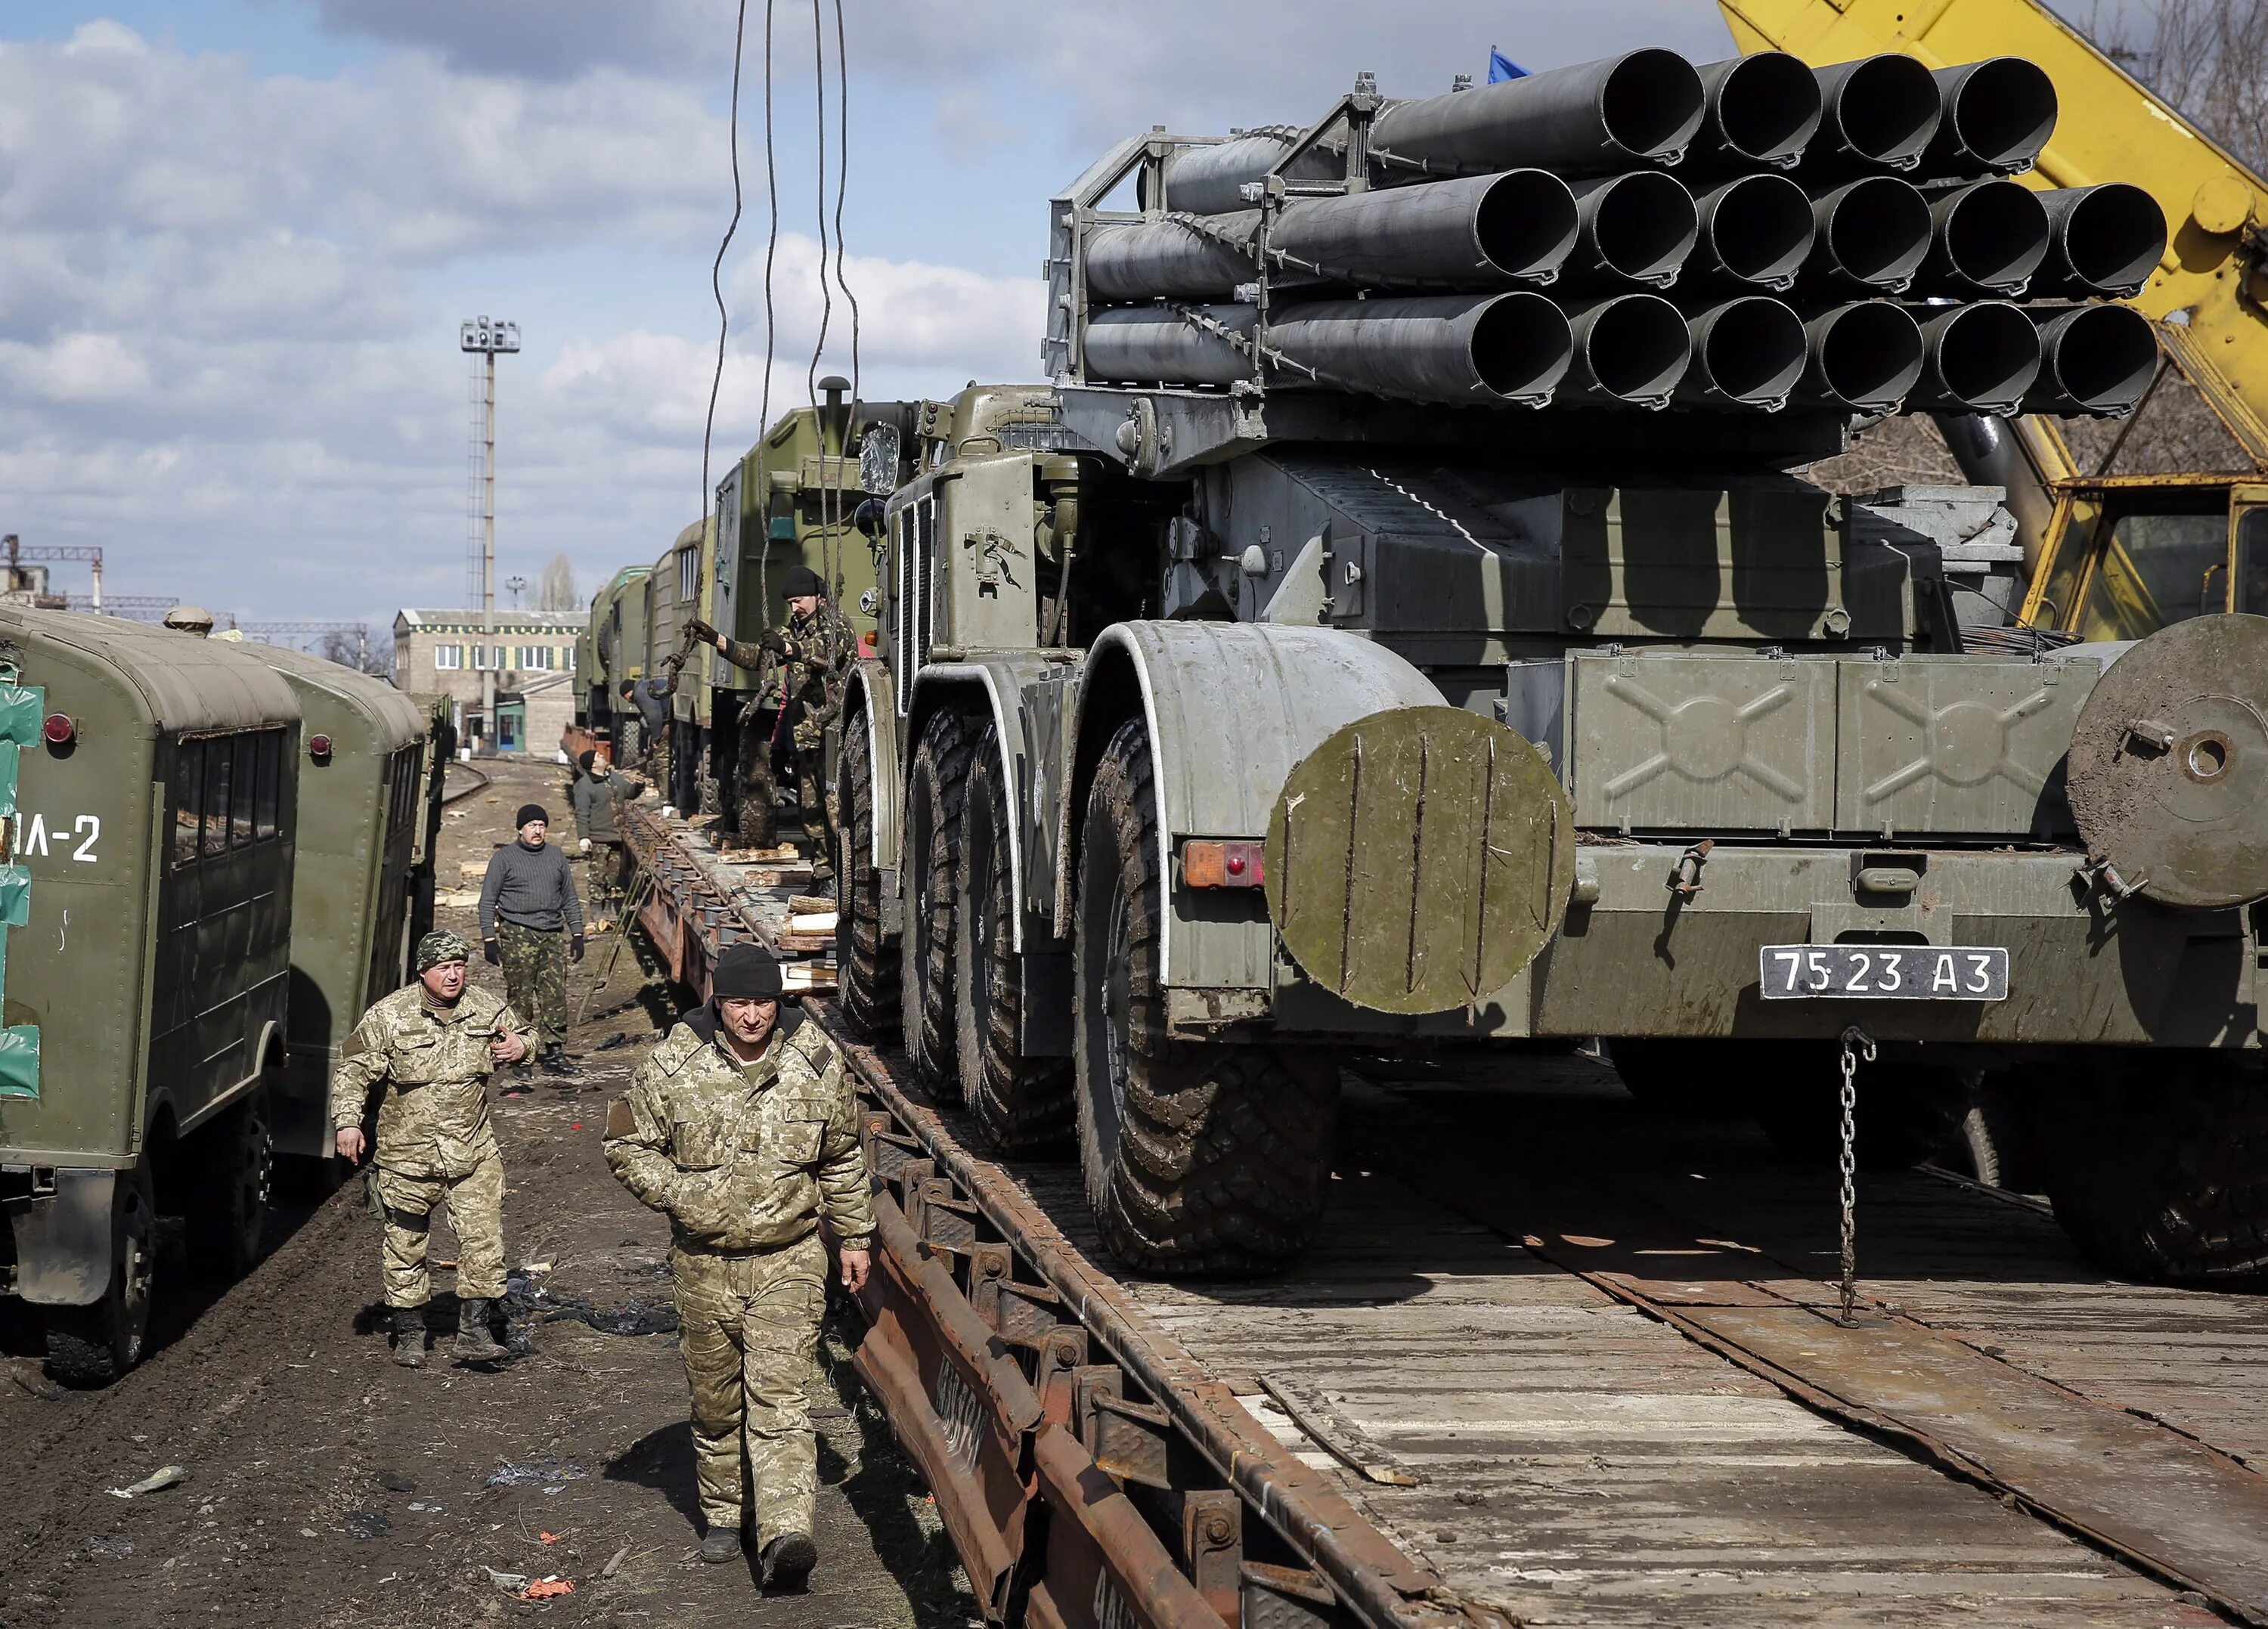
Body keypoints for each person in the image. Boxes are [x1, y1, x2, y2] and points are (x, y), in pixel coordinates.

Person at [602, 942, 874, 1584]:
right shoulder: (673, 1063)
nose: (751, 1016)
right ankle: (726, 1513)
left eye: (763, 1004)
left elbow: (841, 1155)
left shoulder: (816, 1063)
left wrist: (856, 1235)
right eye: (739, 1003)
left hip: (790, 1257)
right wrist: (679, 1193)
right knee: (717, 1401)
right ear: (717, 1002)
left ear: (778, 1003)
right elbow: (624, 1142)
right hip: (704, 1264)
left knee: (781, 1400)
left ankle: (785, 1535)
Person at [330, 930, 533, 1368]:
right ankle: (409, 1332)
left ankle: (474, 1333)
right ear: (423, 972)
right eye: (444, 968)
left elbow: (526, 1037)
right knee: (404, 1246)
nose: (454, 976)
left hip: (472, 1153)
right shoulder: (390, 1015)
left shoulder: (486, 1006)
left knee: (484, 1243)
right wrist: (347, 1121)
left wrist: (521, 1046)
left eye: (460, 966)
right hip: (406, 1159)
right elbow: (353, 1069)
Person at [686, 564, 853, 881]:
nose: (795, 607)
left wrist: (787, 648)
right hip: (807, 738)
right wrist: (717, 640)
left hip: (835, 736)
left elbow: (821, 652)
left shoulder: (836, 624)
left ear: (818, 596)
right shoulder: (796, 627)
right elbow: (757, 657)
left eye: (800, 600)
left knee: (837, 813)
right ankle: (825, 877)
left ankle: (849, 882)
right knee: (812, 815)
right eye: (790, 602)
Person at [478, 804, 585, 1083]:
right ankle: (520, 1052)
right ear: (520, 829)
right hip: (518, 933)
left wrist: (577, 934)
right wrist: (490, 938)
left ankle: (554, 1051)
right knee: (521, 995)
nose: (537, 831)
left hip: (551, 934)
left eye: (541, 825)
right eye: (532, 826)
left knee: (554, 994)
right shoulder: (504, 859)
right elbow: (488, 900)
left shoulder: (556, 856)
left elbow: (569, 898)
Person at [568, 750, 629, 915]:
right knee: (598, 874)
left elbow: (628, 792)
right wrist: (583, 837)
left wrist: (639, 786)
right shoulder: (585, 785)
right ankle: (596, 907)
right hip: (598, 838)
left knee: (613, 875)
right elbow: (581, 812)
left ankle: (608, 906)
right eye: (599, 756)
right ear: (593, 765)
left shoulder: (613, 778)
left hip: (616, 836)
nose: (603, 756)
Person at [621, 674, 676, 804]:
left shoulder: (640, 693)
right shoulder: (645, 686)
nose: (628, 701)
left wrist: (656, 739)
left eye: (626, 698)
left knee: (662, 759)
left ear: (628, 693)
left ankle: (664, 798)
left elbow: (654, 717)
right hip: (670, 719)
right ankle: (670, 795)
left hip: (667, 722)